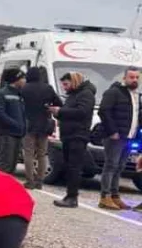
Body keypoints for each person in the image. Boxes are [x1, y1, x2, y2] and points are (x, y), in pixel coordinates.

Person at [49, 72, 97, 208]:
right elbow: (69, 113)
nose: (64, 87)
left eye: (66, 84)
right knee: (69, 166)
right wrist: (57, 113)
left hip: (78, 135)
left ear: (74, 81)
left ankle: (72, 197)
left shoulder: (86, 94)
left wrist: (61, 112)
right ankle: (69, 194)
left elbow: (82, 112)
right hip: (68, 135)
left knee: (74, 167)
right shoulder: (73, 95)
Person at [96, 67, 140, 210]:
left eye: (136, 77)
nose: (134, 80)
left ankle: (115, 196)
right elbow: (104, 111)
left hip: (128, 137)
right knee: (111, 166)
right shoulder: (114, 92)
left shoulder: (135, 95)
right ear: (124, 78)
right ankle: (105, 196)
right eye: (131, 77)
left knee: (119, 167)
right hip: (115, 137)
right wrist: (112, 131)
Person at [20, 66, 62, 189]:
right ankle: (39, 181)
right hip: (44, 125)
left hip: (28, 125)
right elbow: (59, 103)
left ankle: (30, 181)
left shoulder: (24, 88)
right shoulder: (48, 88)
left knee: (28, 153)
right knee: (42, 154)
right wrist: (48, 107)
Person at [0, 68, 27, 175]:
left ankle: (5, 190)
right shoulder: (1, 94)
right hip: (7, 135)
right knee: (6, 164)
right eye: (23, 78)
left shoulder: (20, 95)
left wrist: (24, 126)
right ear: (15, 79)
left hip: (18, 134)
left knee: (12, 166)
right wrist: (15, 124)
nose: (25, 80)